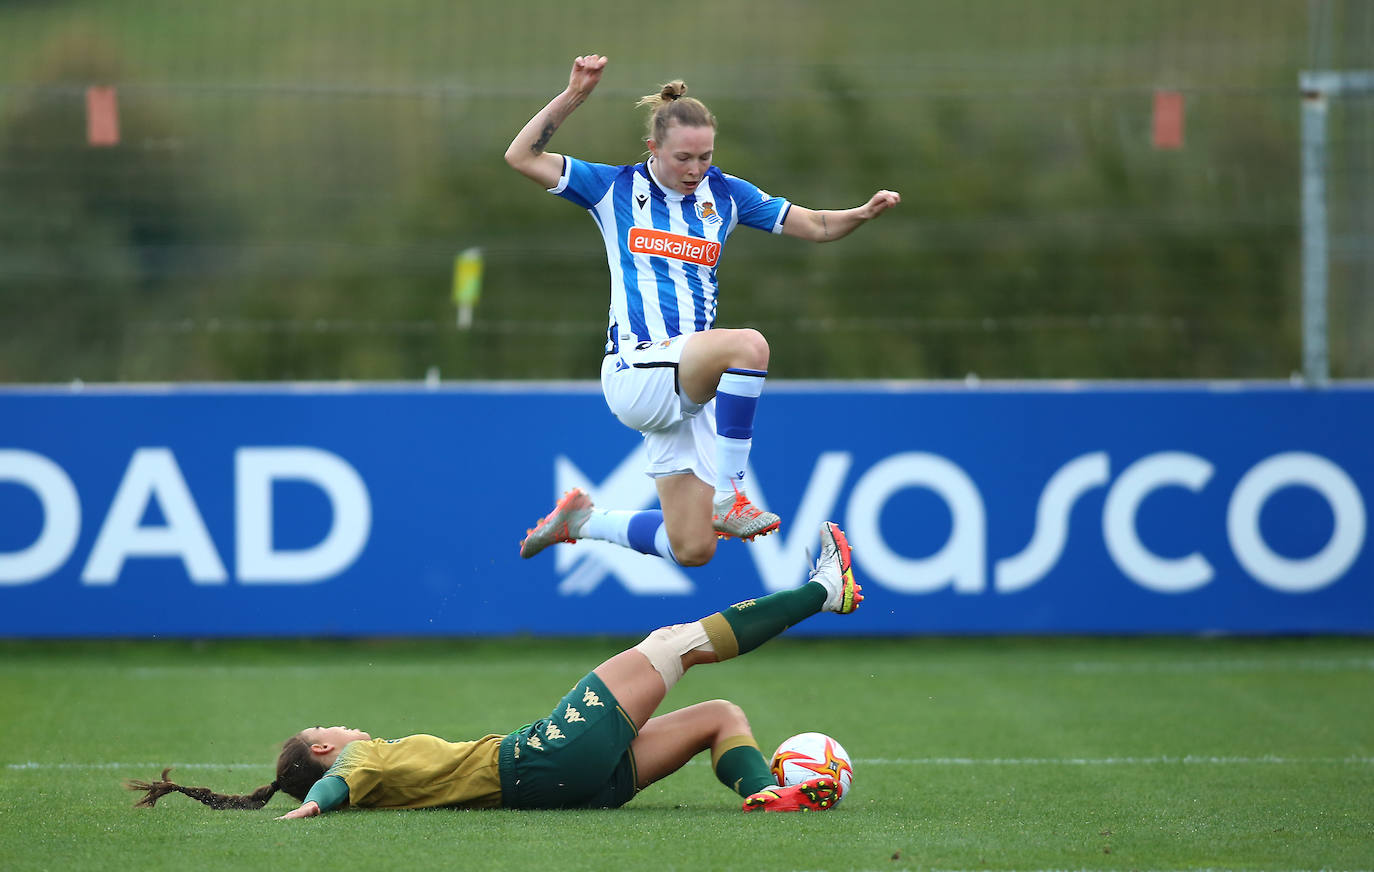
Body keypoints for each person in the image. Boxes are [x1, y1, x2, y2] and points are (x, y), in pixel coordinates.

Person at [126, 523, 863, 816]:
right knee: (673, 645)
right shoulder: (360, 762)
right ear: (324, 745)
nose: (345, 728)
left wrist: (321, 801)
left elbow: (348, 783)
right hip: (540, 757)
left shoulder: (381, 778)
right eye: (330, 728)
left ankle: (771, 797)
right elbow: (342, 778)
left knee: (720, 717)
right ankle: (822, 591)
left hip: (577, 790)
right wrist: (312, 804)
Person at [507, 55, 900, 568]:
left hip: (690, 385)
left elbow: (817, 226)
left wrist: (861, 213)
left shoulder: (726, 194)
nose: (695, 170)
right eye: (683, 158)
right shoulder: (614, 188)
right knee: (749, 345)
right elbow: (521, 156)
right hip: (637, 369)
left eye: (705, 157)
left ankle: (582, 522)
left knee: (692, 548)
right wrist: (575, 95)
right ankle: (730, 495)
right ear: (653, 149)